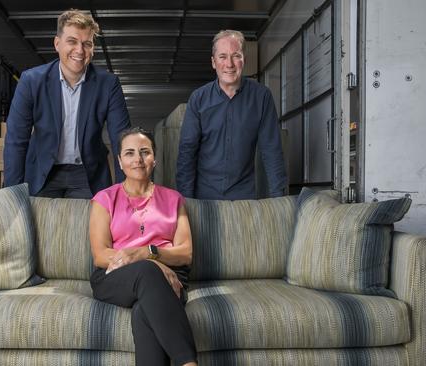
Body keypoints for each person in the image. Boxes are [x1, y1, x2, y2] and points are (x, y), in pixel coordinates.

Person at [89, 127, 198, 366]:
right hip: (115, 275)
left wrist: (150, 253)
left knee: (143, 313)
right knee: (148, 272)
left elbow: (185, 253)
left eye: (144, 152)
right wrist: (151, 263)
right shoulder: (104, 199)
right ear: (119, 161)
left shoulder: (173, 199)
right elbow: (100, 255)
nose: (137, 159)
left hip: (171, 277)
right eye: (129, 153)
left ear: (154, 159)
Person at [4, 9, 130, 198]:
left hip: (88, 174)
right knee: (42, 225)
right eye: (72, 41)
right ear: (57, 44)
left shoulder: (108, 84)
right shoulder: (31, 81)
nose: (79, 50)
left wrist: (126, 192)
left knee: (88, 226)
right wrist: (12, 194)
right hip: (43, 172)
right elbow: (16, 140)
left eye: (87, 44)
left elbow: (122, 141)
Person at [176, 30, 287, 200]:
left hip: (244, 198)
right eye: (222, 57)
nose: (229, 64)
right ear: (213, 62)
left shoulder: (261, 97)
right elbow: (187, 153)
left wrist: (280, 200)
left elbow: (272, 151)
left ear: (244, 60)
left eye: (236, 56)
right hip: (204, 197)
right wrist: (184, 201)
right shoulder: (198, 99)